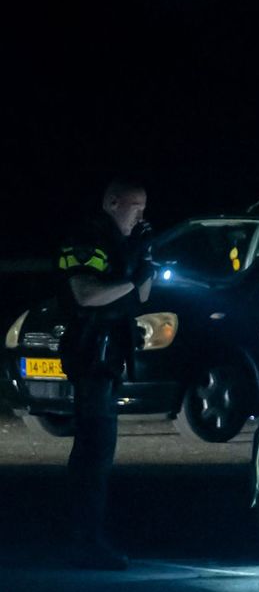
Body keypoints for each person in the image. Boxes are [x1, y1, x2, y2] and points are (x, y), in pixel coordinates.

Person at [57, 177, 155, 570]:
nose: (141, 216)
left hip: (110, 356)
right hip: (90, 354)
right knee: (94, 452)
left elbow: (144, 296)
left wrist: (144, 257)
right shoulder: (87, 238)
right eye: (136, 207)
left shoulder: (122, 243)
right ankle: (84, 540)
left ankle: (86, 536)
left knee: (99, 450)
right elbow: (86, 293)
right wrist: (132, 274)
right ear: (113, 202)